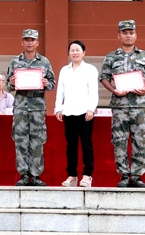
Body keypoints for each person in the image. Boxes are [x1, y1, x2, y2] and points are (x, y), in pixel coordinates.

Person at [100, 20, 145, 188]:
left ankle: (137, 176)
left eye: (131, 33)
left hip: (139, 106)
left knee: (141, 140)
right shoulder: (111, 57)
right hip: (119, 106)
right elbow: (103, 77)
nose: (128, 36)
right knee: (119, 140)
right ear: (118, 35)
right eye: (124, 33)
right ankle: (124, 175)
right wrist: (114, 90)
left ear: (136, 35)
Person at [7, 29, 55, 187]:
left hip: (37, 107)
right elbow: (8, 84)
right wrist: (12, 83)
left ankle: (35, 175)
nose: (29, 42)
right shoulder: (15, 62)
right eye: (27, 39)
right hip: (21, 106)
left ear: (37, 42)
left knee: (37, 141)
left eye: (32, 40)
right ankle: (23, 174)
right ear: (22, 42)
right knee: (21, 140)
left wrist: (47, 83)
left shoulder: (44, 62)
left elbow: (52, 83)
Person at [54, 40, 99, 188]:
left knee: (86, 144)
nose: (75, 53)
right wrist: (58, 108)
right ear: (69, 53)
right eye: (72, 50)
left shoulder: (90, 69)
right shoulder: (64, 70)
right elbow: (60, 91)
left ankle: (87, 175)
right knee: (71, 145)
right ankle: (72, 175)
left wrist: (91, 108)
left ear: (84, 53)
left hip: (85, 112)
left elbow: (93, 91)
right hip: (69, 112)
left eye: (78, 50)